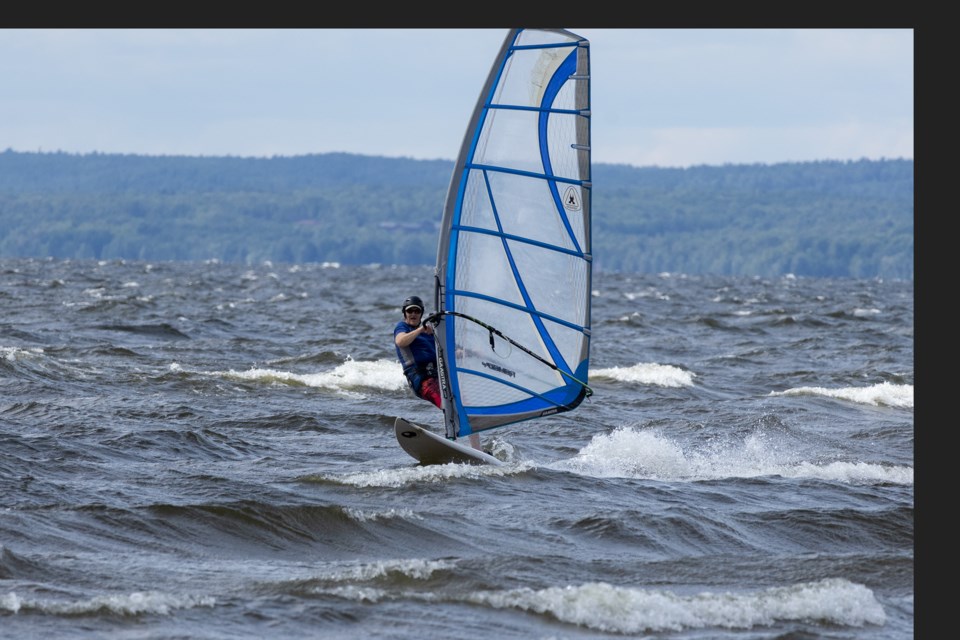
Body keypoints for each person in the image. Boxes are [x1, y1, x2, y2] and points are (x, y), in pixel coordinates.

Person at [393, 295, 484, 451]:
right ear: (404, 313)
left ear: (421, 313)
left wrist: (473, 352)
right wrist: (421, 329)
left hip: (438, 376)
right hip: (421, 379)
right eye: (410, 311)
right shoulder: (403, 328)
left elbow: (451, 351)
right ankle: (452, 441)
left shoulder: (430, 333)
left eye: (417, 311)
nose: (413, 314)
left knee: (465, 407)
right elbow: (401, 342)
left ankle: (477, 450)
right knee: (448, 406)